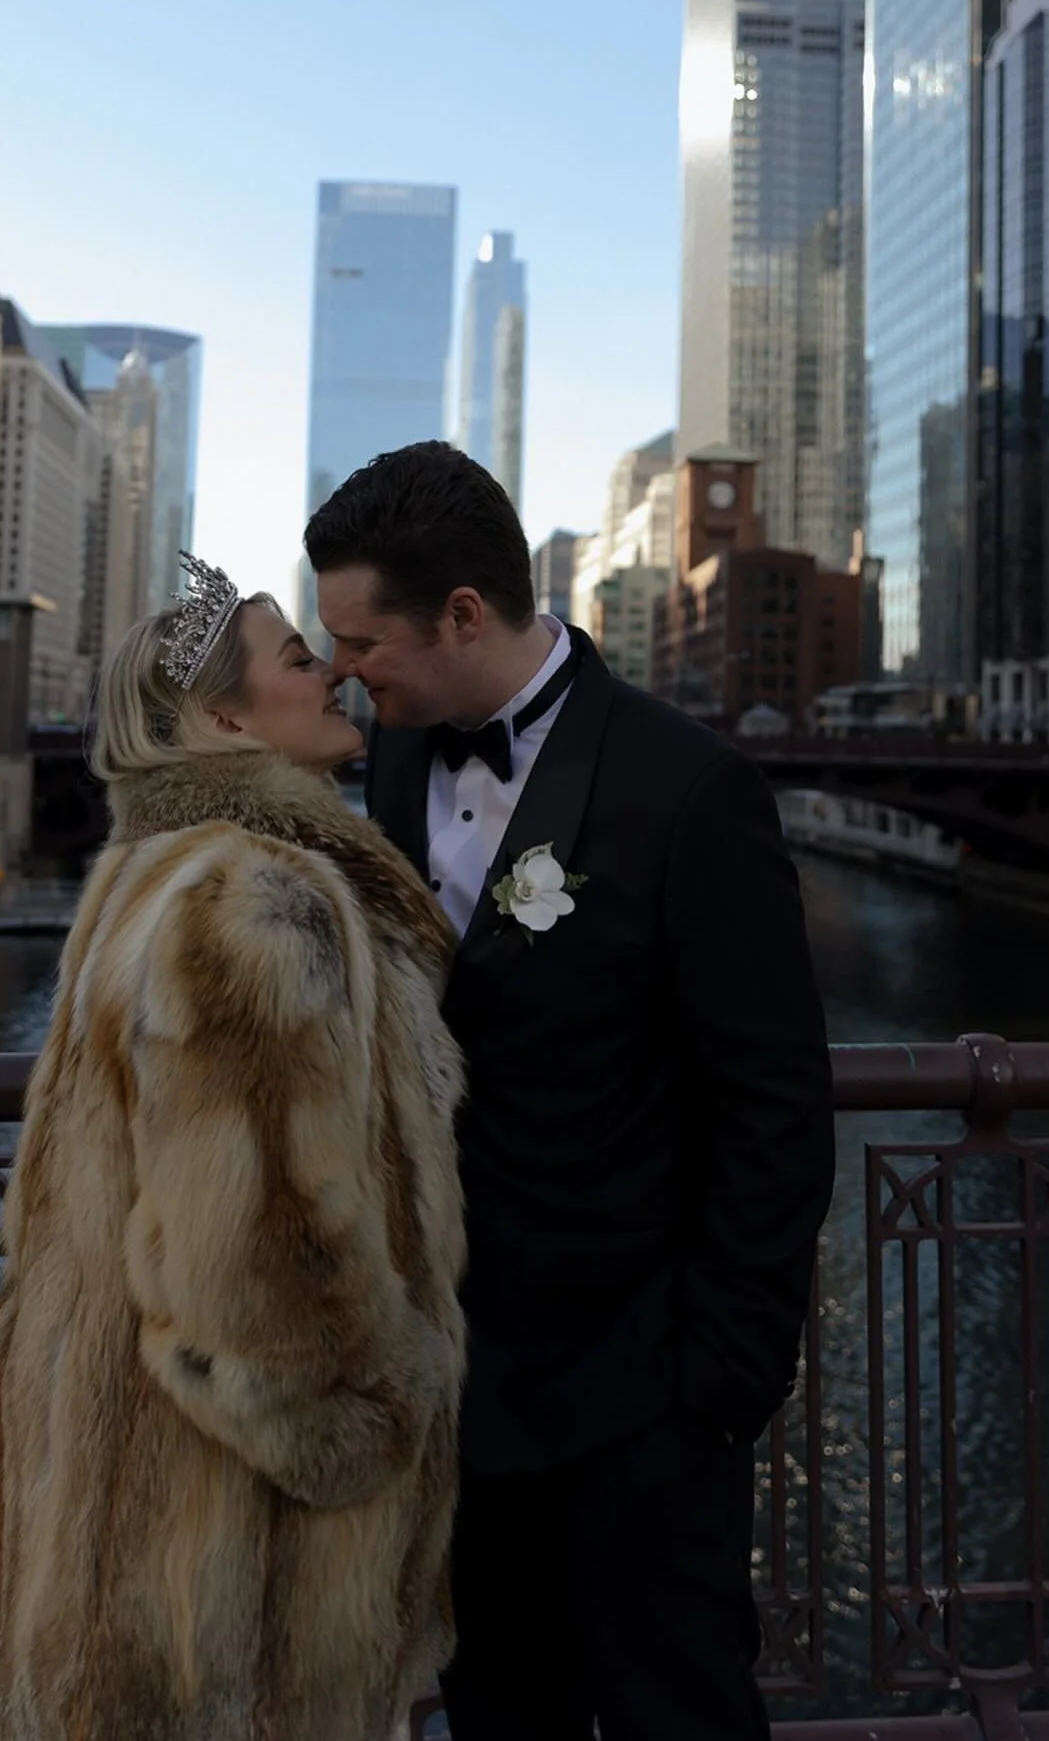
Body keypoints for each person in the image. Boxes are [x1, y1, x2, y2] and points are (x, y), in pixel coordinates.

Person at [305, 443, 836, 1741]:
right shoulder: (385, 762)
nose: (342, 670)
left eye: (361, 639)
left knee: (677, 1718)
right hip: (457, 1401)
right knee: (497, 1720)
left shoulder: (686, 791)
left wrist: (714, 1386)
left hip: (639, 1408)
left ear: (464, 617)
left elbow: (773, 1105)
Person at [0, 554, 466, 1741]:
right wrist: (373, 1426)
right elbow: (253, 1258)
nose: (336, 673)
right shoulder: (251, 898)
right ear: (227, 717)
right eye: (301, 659)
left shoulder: (149, 875)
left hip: (123, 1524)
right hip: (228, 1578)